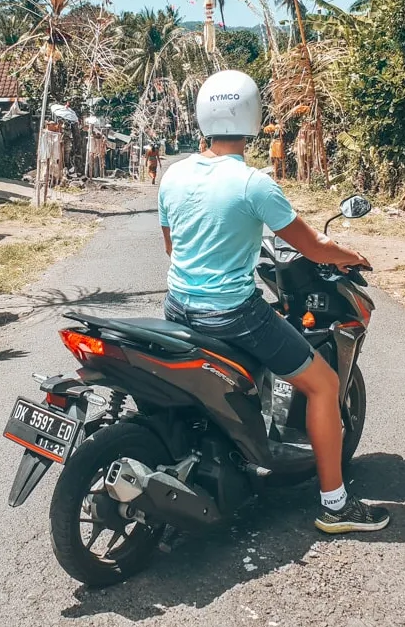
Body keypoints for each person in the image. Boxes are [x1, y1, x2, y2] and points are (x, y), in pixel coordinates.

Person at [157, 70, 390, 534]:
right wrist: (355, 256)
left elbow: (172, 246)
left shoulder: (173, 174)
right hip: (231, 314)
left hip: (177, 307)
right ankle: (336, 506)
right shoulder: (253, 184)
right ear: (252, 117)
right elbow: (316, 249)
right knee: (322, 384)